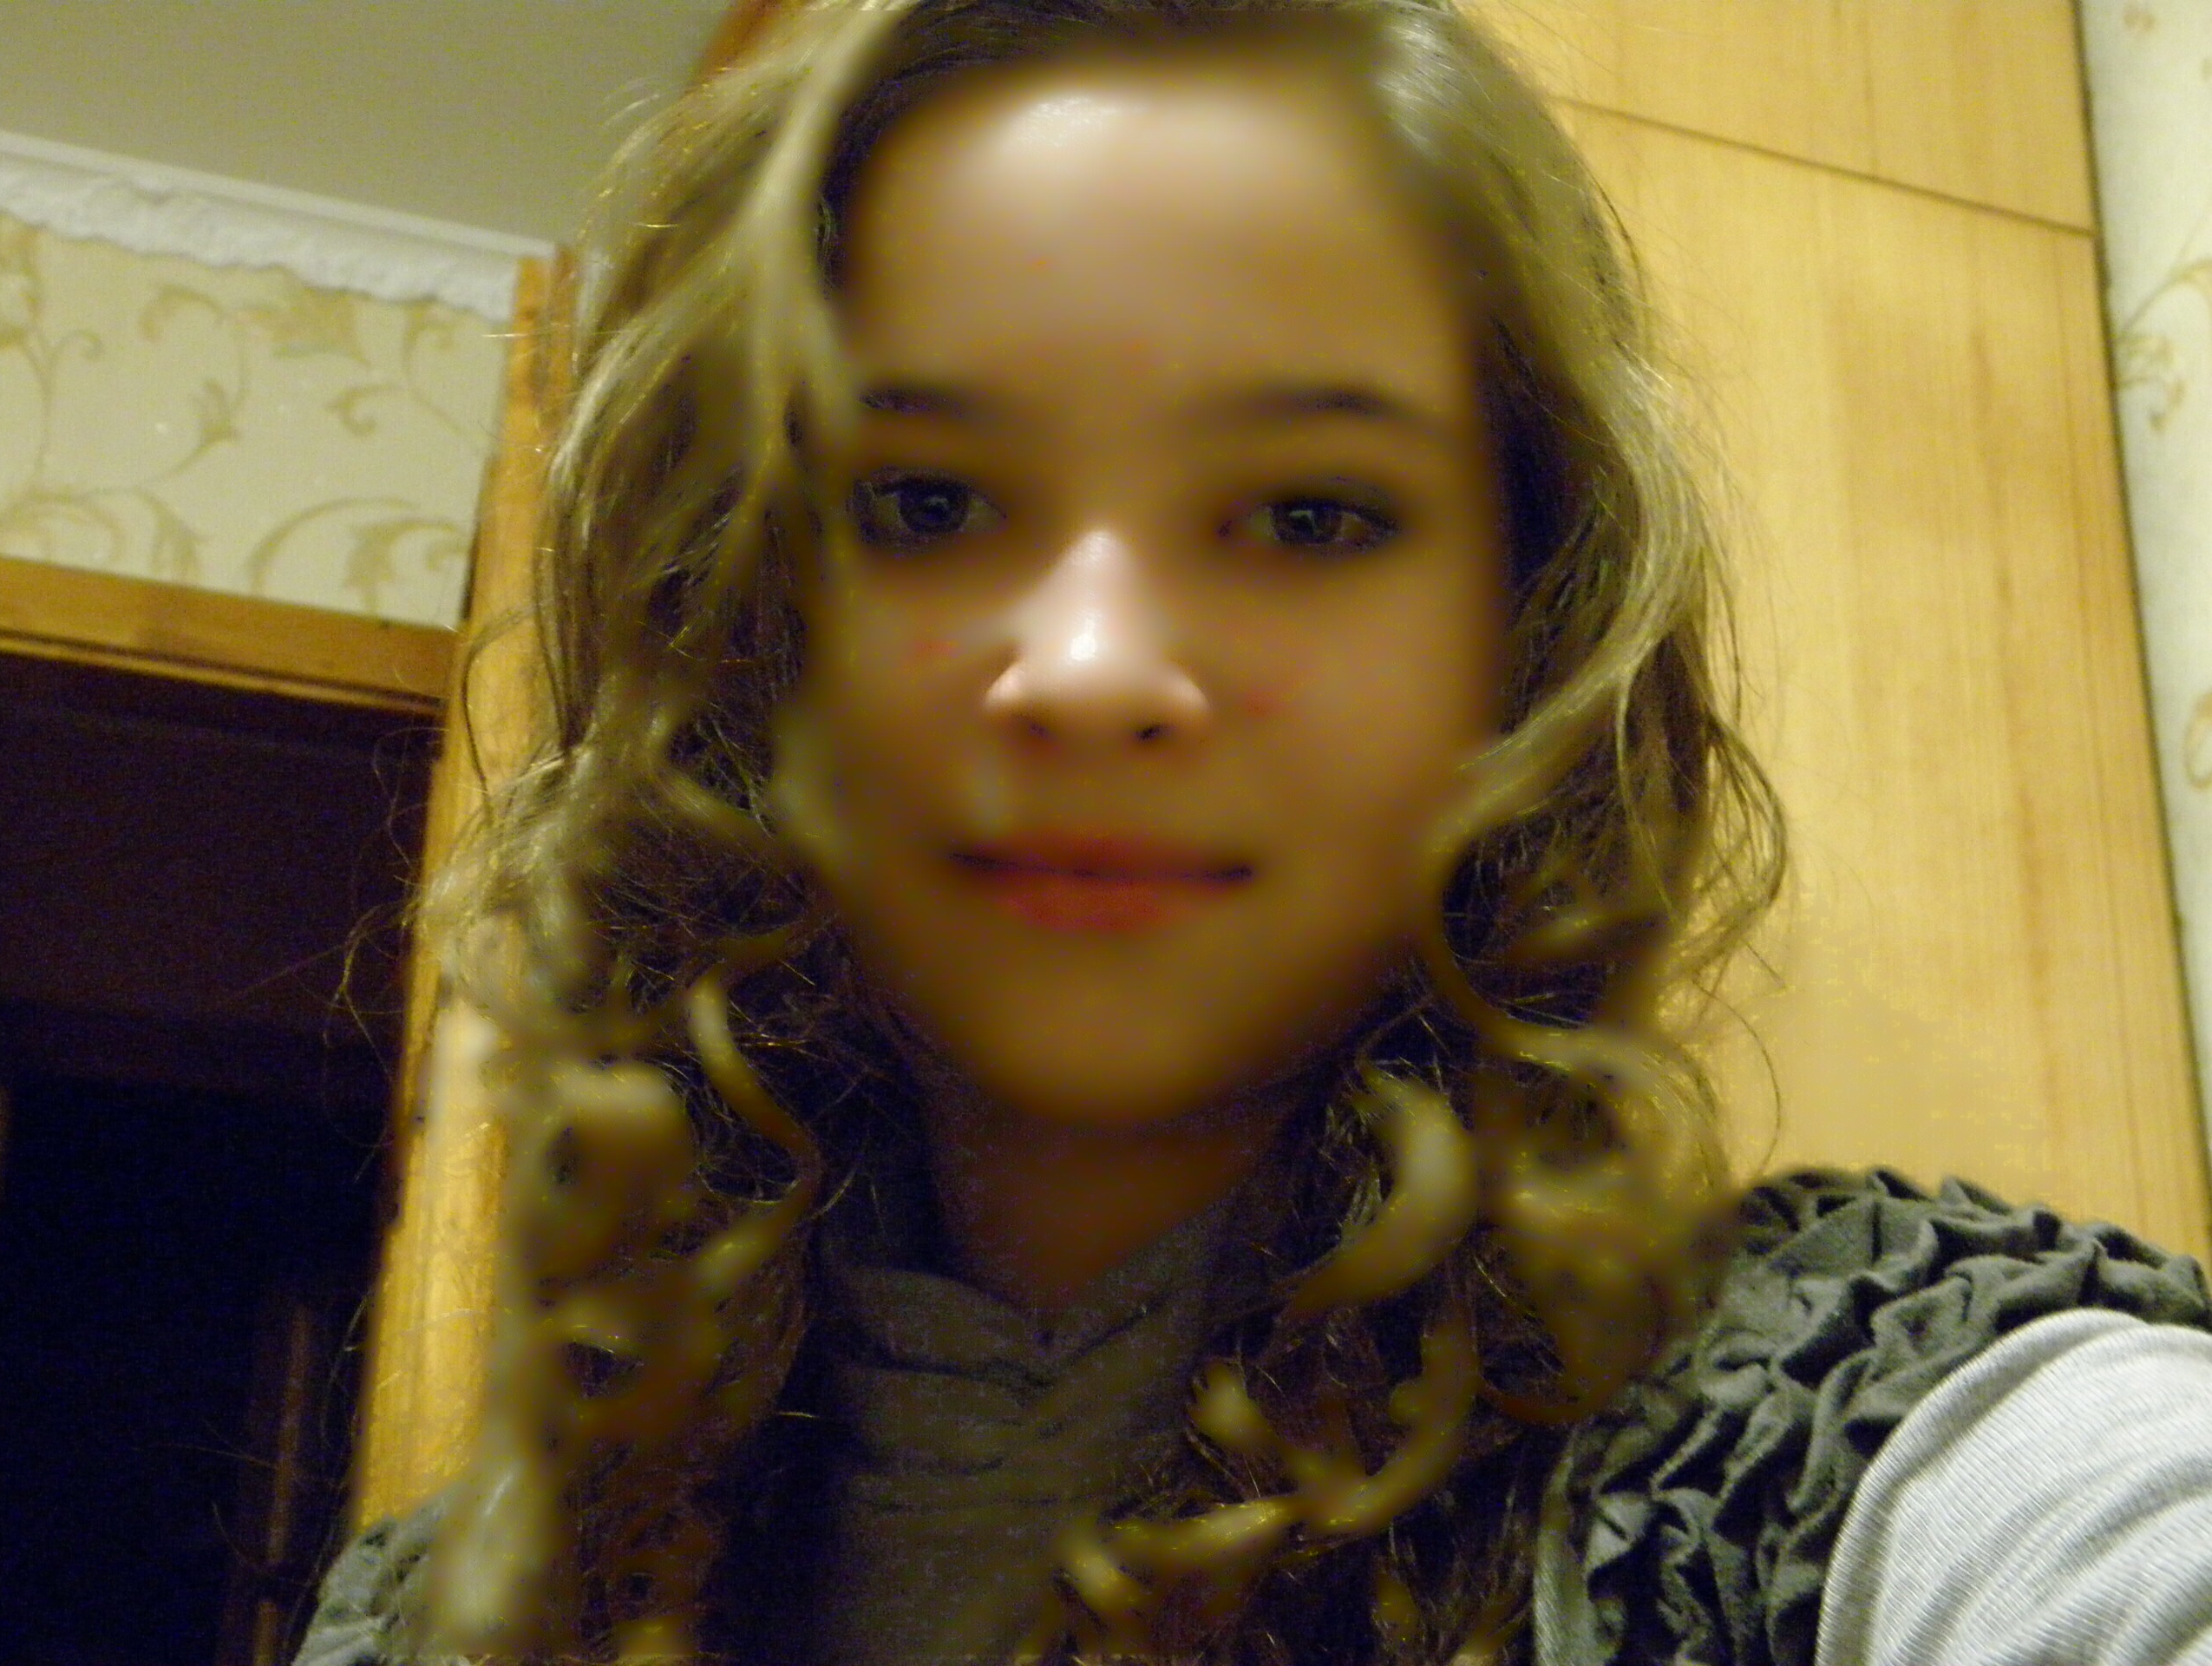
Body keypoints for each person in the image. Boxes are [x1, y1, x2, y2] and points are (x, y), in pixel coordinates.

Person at [295, 2, 2212, 1663]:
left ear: (1524, 635)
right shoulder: (442, 1614)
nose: (1092, 671)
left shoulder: (1841, 1444)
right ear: (739, 626)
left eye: (1308, 516)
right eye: (924, 503)